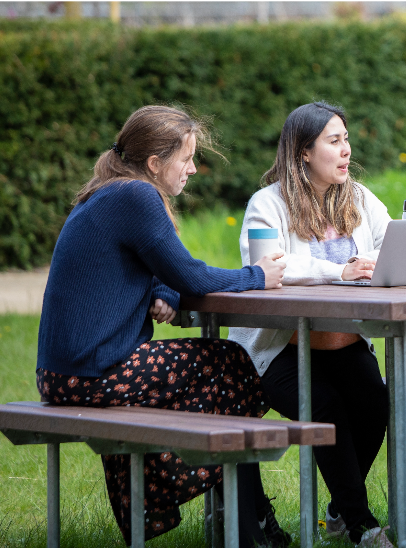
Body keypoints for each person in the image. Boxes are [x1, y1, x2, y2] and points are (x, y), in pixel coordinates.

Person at [35, 105, 288, 547]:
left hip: (66, 375)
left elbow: (159, 270)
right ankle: (225, 514)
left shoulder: (110, 192)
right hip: (94, 373)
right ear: (155, 163)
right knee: (232, 364)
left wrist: (166, 291)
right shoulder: (137, 196)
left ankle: (220, 511)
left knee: (220, 370)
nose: (192, 169)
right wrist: (257, 276)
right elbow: (189, 274)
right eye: (186, 158)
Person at [227, 102, 393, 548]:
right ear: (303, 151)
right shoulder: (269, 203)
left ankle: (340, 509)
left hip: (342, 341)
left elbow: (392, 241)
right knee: (326, 408)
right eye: (334, 141)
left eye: (346, 139)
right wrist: (339, 271)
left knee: (377, 406)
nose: (346, 150)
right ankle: (362, 525)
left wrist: (380, 260)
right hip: (279, 347)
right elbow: (266, 265)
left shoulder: (356, 197)